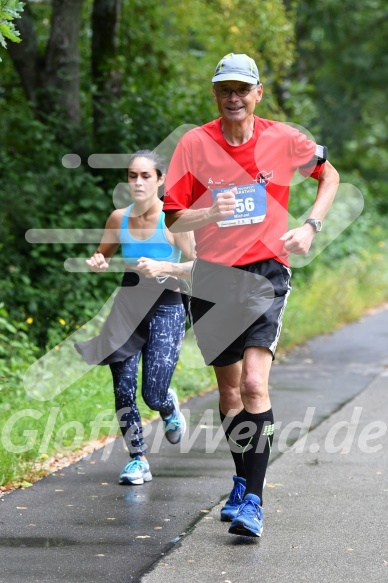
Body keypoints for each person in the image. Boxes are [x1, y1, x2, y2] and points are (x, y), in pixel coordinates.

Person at [163, 53, 339, 537]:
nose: (234, 98)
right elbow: (174, 217)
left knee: (255, 385)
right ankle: (243, 479)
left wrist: (310, 226)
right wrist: (209, 214)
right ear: (215, 95)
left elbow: (330, 175)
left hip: (266, 271)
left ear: (258, 93)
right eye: (225, 90)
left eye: (243, 89)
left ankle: (253, 503)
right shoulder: (195, 145)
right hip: (214, 276)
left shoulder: (283, 138)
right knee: (229, 391)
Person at [75, 150, 196, 486]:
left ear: (160, 180)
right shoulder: (118, 218)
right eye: (132, 176)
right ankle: (137, 459)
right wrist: (98, 261)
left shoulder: (174, 220)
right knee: (123, 388)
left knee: (152, 394)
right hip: (128, 305)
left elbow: (200, 267)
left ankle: (168, 406)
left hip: (167, 304)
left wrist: (166, 266)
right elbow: (103, 253)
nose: (138, 182)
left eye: (146, 176)